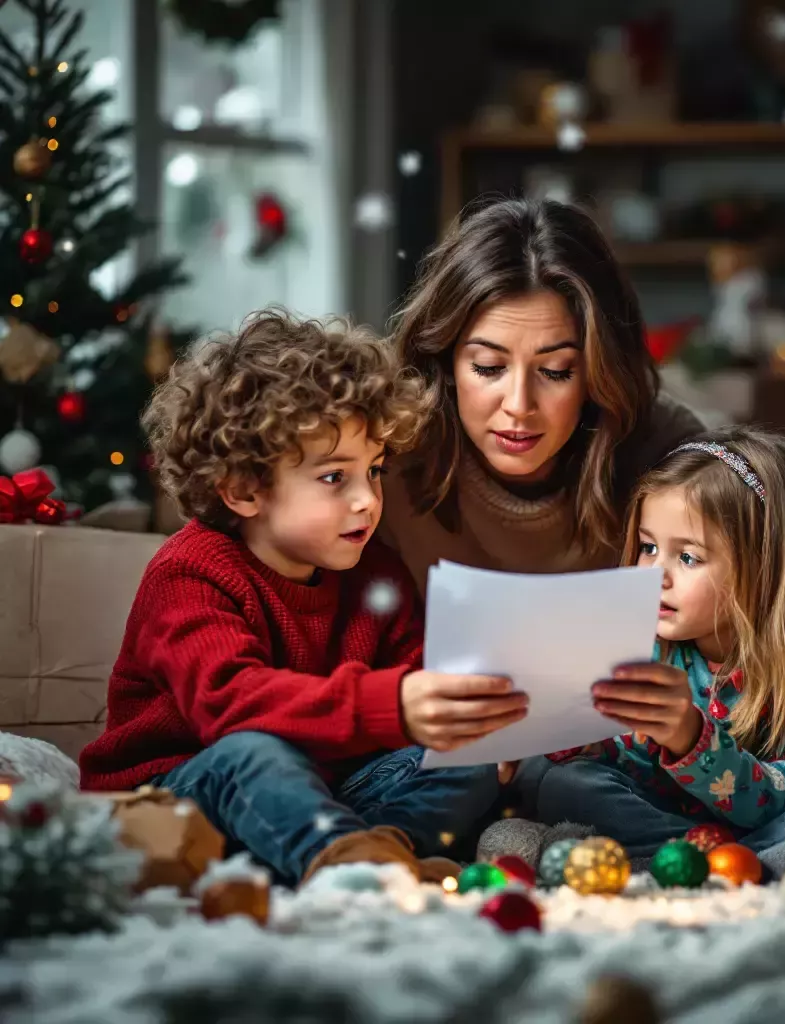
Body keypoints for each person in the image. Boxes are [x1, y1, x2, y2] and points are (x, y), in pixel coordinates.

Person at [78, 311, 529, 887]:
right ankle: (347, 863)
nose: (368, 500)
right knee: (253, 753)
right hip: (175, 800)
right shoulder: (188, 574)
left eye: (375, 470)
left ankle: (377, 853)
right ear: (243, 488)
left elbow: (410, 677)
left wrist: (467, 717)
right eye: (335, 478)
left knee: (465, 756)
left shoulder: (373, 571)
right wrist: (392, 705)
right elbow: (228, 704)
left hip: (321, 795)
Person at [534, 427, 785, 877]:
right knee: (564, 783)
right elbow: (634, 763)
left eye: (687, 558)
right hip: (684, 816)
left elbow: (784, 794)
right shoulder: (647, 632)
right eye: (649, 547)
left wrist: (692, 738)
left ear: (767, 566)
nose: (655, 574)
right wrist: (583, 737)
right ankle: (711, 863)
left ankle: (730, 867)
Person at [379, 197, 705, 594]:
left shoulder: (670, 454)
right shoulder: (386, 457)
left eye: (555, 372)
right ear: (445, 361)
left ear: (598, 372)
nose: (518, 405)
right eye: (487, 367)